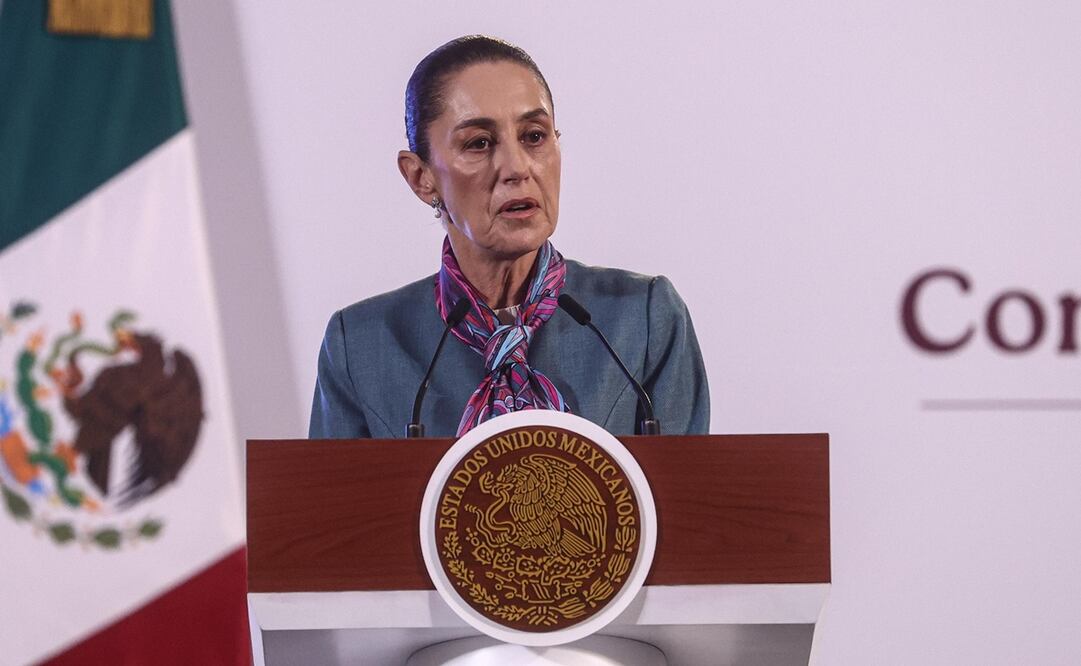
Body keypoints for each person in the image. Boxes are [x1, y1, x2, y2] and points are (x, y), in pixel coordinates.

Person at [309, 35, 709, 439]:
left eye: (534, 136)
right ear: (420, 177)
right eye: (479, 143)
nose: (517, 168)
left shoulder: (643, 318)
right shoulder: (359, 345)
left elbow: (683, 480)